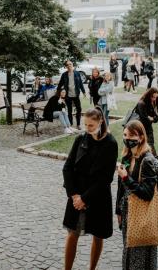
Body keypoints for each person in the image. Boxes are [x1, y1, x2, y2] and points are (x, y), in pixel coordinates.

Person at [62, 108, 118, 270]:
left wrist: (84, 199)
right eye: (85, 125)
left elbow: (106, 178)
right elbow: (67, 168)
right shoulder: (81, 139)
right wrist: (74, 196)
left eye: (91, 125)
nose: (88, 129)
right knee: (73, 234)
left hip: (98, 196)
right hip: (77, 195)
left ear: (101, 122)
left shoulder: (111, 144)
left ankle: (92, 268)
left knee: (98, 236)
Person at [115, 119, 158, 269]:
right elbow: (120, 188)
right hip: (127, 211)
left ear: (141, 137)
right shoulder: (127, 157)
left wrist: (125, 178)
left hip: (142, 213)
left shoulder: (147, 160)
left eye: (131, 136)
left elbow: (147, 193)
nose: (127, 139)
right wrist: (118, 210)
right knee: (128, 248)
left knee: (140, 253)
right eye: (125, 135)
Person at [56, 61, 86, 129]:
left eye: (70, 64)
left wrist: (84, 92)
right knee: (69, 111)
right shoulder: (64, 75)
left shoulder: (77, 73)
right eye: (67, 65)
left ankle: (78, 124)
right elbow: (60, 83)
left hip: (76, 95)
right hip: (68, 95)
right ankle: (71, 124)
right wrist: (58, 92)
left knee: (79, 109)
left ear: (72, 65)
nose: (69, 66)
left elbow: (80, 83)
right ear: (66, 67)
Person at [134, 88, 158, 154]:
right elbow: (144, 119)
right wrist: (150, 118)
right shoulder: (141, 103)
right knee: (141, 149)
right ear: (148, 95)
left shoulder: (151, 103)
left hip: (148, 129)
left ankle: (154, 163)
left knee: (150, 147)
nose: (154, 99)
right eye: (153, 97)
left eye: (156, 97)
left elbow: (156, 118)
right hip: (140, 129)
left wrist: (151, 118)